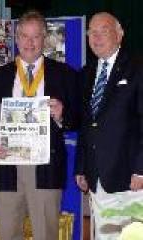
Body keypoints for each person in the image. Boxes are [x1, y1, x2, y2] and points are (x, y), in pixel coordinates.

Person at [0, 11, 79, 240]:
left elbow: (78, 119)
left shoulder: (64, 74)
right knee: (8, 233)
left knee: (46, 234)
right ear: (16, 39)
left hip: (46, 167)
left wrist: (62, 114)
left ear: (44, 39)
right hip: (8, 167)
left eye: (36, 37)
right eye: (24, 36)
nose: (30, 42)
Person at [75, 12, 143, 239]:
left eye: (103, 30)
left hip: (131, 178)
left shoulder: (138, 68)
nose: (96, 37)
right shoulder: (86, 73)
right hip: (98, 178)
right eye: (91, 32)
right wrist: (81, 167)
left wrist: (141, 169)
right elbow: (87, 125)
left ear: (120, 34)